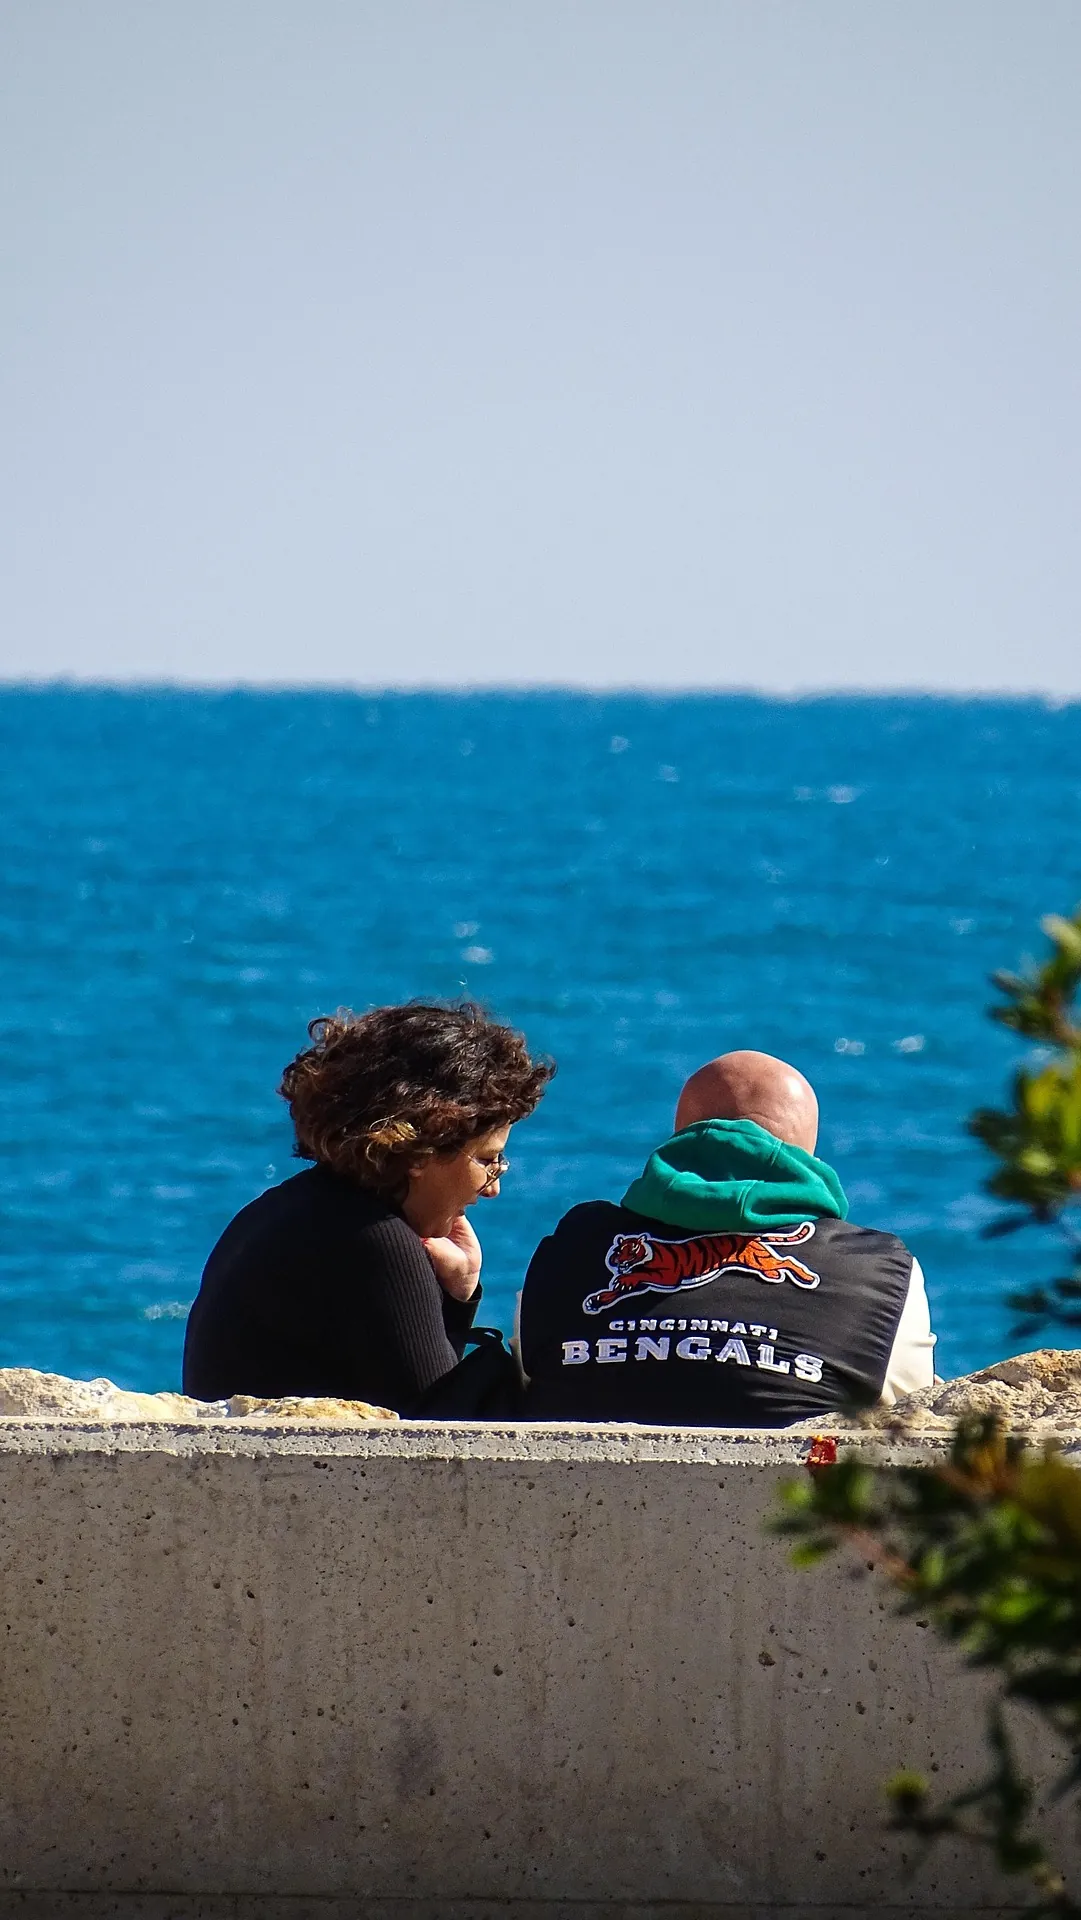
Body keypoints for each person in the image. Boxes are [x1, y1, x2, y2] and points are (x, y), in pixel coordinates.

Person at [518, 1049, 935, 1426]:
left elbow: (523, 1382)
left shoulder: (573, 1247)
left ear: (680, 1138)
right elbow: (910, 1410)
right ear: (807, 1158)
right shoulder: (879, 1270)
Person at [183, 1001, 552, 1411]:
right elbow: (443, 1430)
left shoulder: (278, 1212)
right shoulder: (375, 1241)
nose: (492, 1188)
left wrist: (457, 1291)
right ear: (421, 1150)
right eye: (487, 1160)